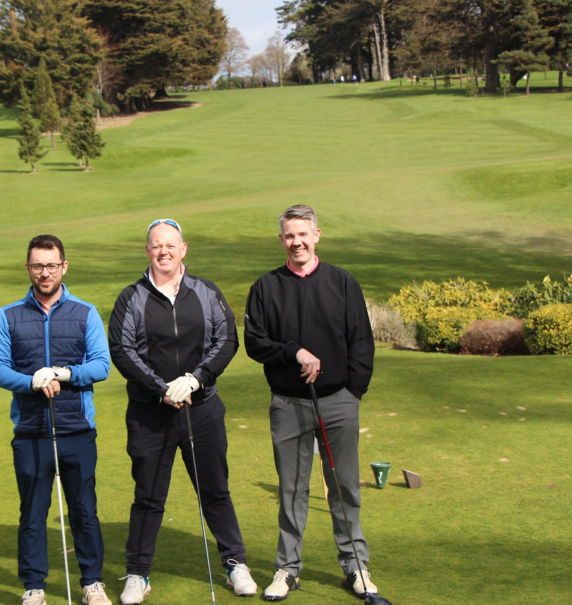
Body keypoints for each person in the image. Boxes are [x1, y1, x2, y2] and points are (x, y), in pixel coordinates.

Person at [108, 219, 257, 604]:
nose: (164, 251)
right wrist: (161, 390)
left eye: (171, 245)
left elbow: (227, 339)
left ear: (183, 249)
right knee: (148, 496)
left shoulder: (206, 291)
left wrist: (196, 379)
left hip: (202, 410)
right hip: (150, 414)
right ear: (147, 251)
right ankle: (138, 574)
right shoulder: (131, 297)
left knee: (215, 491)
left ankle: (235, 563)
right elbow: (122, 351)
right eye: (156, 246)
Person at [243, 205, 377, 600]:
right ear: (281, 239)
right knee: (291, 490)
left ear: (317, 235)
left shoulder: (342, 282)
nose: (296, 241)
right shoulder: (266, 287)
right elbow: (255, 343)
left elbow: (361, 341)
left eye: (303, 234)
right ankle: (287, 569)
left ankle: (356, 566)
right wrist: (293, 352)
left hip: (338, 401)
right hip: (288, 403)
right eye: (289, 235)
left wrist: (354, 393)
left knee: (344, 486)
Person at [0, 235, 112, 605]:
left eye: (52, 265)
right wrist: (30, 381)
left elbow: (101, 365)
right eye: (38, 265)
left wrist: (64, 374)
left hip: (76, 429)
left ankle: (92, 583)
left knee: (84, 510)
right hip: (31, 432)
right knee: (33, 513)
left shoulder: (86, 312)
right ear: (28, 268)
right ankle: (34, 587)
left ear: (64, 267)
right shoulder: (9, 314)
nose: (45, 272)